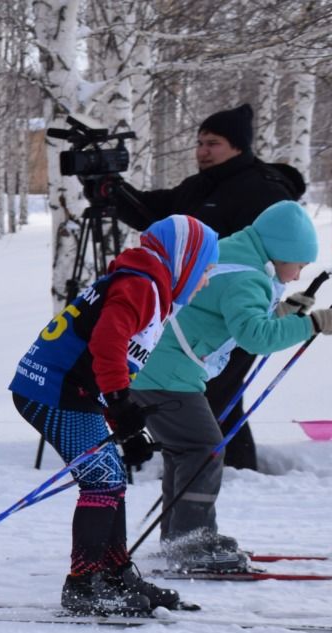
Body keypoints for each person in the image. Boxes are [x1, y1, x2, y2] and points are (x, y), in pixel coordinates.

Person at [9, 215, 219, 617]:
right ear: (186, 260)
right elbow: (108, 341)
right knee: (103, 480)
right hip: (52, 391)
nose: (205, 280)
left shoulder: (148, 283)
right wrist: (121, 403)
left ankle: (115, 574)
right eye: (205, 269)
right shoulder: (143, 286)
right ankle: (84, 585)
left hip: (67, 391)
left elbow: (107, 356)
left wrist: (119, 421)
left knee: (110, 476)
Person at [98, 104, 305, 472]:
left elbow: (280, 248)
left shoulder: (261, 188)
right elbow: (152, 213)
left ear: (238, 147)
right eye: (199, 143)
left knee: (213, 399)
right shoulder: (199, 186)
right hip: (195, 312)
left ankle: (227, 471)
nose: (203, 151)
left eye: (213, 143)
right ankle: (222, 470)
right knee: (210, 401)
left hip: (236, 309)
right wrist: (112, 191)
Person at [130, 201, 326, 571]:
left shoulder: (237, 252)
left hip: (157, 367)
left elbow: (227, 312)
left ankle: (182, 536)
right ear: (281, 252)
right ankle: (192, 543)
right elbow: (255, 335)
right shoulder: (248, 276)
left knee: (186, 450)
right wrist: (312, 324)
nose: (298, 275)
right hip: (168, 375)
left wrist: (282, 311)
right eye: (299, 264)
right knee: (203, 448)